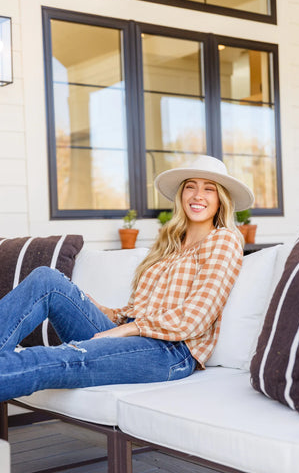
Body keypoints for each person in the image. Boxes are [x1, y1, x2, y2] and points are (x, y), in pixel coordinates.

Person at [0, 155, 254, 402]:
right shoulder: (169, 244)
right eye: (191, 187)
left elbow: (196, 317)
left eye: (209, 189)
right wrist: (108, 313)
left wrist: (126, 329)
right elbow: (140, 310)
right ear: (181, 196)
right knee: (47, 279)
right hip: (134, 335)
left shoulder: (224, 239)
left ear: (221, 200)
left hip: (169, 351)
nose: (198, 195)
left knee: (57, 358)